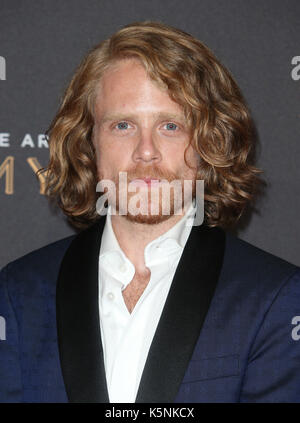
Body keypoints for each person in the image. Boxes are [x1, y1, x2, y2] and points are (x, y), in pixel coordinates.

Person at [0, 21, 299, 403]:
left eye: (170, 126)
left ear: (210, 142)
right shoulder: (19, 293)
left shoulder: (274, 298)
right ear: (88, 142)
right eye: (123, 125)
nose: (146, 150)